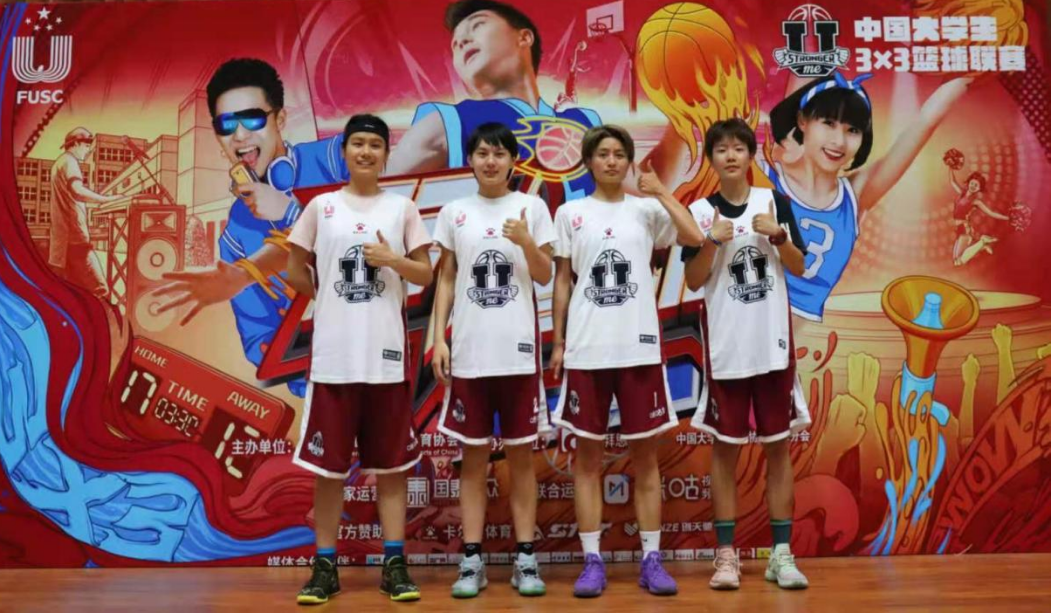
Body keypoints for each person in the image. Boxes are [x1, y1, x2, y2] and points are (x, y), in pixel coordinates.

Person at [549, 124, 702, 598]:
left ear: (630, 162)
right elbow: (562, 281)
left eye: (619, 154)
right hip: (587, 349)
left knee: (645, 458)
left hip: (639, 349)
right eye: (603, 154)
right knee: (587, 460)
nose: (611, 161)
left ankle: (651, 560)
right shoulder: (571, 213)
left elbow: (694, 235)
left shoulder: (646, 209)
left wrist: (660, 191)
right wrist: (559, 342)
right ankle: (592, 561)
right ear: (589, 162)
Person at [285, 115, 433, 604]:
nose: (366, 152)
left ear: (386, 154)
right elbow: (294, 268)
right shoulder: (321, 207)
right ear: (345, 151)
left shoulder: (402, 208)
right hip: (334, 360)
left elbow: (425, 274)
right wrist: (329, 298)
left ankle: (394, 564)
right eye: (358, 144)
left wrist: (394, 262)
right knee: (329, 472)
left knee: (391, 468)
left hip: (385, 360)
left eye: (375, 144)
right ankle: (324, 567)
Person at [153, 58, 350, 396]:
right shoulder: (235, 235)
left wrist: (290, 212)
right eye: (226, 124)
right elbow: (263, 342)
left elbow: (395, 224)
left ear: (280, 119)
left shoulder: (336, 158)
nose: (240, 135)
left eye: (253, 119)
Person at [680, 118, 811, 590]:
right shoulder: (699, 212)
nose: (731, 156)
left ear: (751, 156)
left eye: (739, 148)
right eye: (722, 149)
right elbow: (693, 280)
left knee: (778, 449)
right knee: (724, 452)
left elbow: (800, 266)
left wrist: (779, 237)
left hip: (772, 348)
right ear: (712, 160)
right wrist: (712, 241)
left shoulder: (773, 202)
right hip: (727, 350)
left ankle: (782, 554)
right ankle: (726, 556)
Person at [431, 122, 554, 598]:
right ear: (471, 159)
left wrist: (525, 240)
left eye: (499, 153)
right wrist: (438, 339)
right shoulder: (455, 212)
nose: (490, 161)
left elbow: (544, 274)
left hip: (519, 354)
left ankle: (526, 557)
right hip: (469, 353)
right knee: (473, 459)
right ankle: (471, 560)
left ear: (512, 161)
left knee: (521, 459)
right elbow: (446, 279)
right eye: (482, 153)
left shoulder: (532, 208)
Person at [766, 72, 973, 320]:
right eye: (829, 123)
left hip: (800, 338)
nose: (839, 141)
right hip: (745, 322)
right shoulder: (764, 178)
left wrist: (968, 75)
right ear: (802, 121)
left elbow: (924, 123)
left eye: (852, 130)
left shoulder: (854, 196)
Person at [48, 127, 122, 297]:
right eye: (87, 145)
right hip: (75, 241)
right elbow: (77, 191)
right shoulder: (69, 162)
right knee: (101, 291)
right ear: (76, 144)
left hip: (62, 242)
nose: (88, 150)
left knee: (69, 293)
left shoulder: (59, 163)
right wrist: (107, 200)